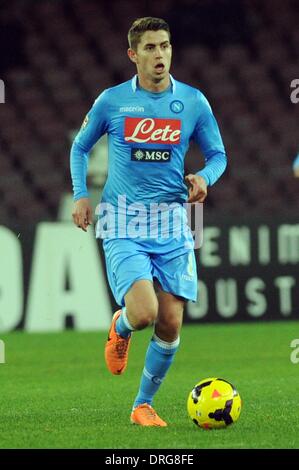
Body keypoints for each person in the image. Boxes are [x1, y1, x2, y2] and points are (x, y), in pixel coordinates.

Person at [70, 17, 227, 427]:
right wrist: (81, 196)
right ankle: (121, 327)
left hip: (174, 221)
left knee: (171, 321)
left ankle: (143, 405)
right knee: (144, 314)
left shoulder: (193, 101)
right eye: (151, 48)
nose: (160, 55)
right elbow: (79, 148)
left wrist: (203, 178)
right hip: (124, 220)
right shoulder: (112, 101)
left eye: (165, 46)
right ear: (133, 55)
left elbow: (218, 156)